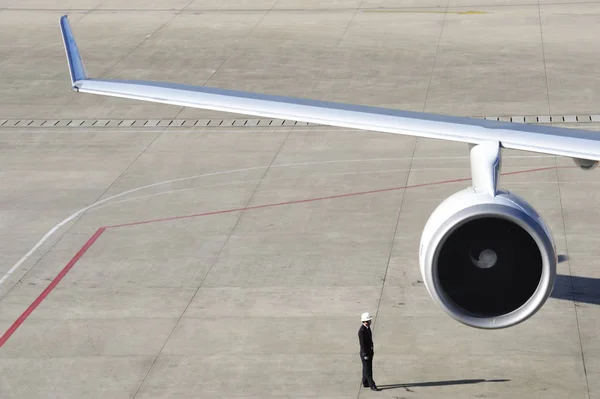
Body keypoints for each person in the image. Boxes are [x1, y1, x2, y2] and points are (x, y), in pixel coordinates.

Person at [358, 312, 380, 391]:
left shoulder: (367, 328)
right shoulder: (362, 331)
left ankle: (365, 382)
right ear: (365, 321)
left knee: (366, 368)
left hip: (369, 351)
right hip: (365, 353)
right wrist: (365, 354)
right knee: (368, 370)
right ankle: (372, 385)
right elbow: (362, 344)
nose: (370, 321)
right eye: (369, 320)